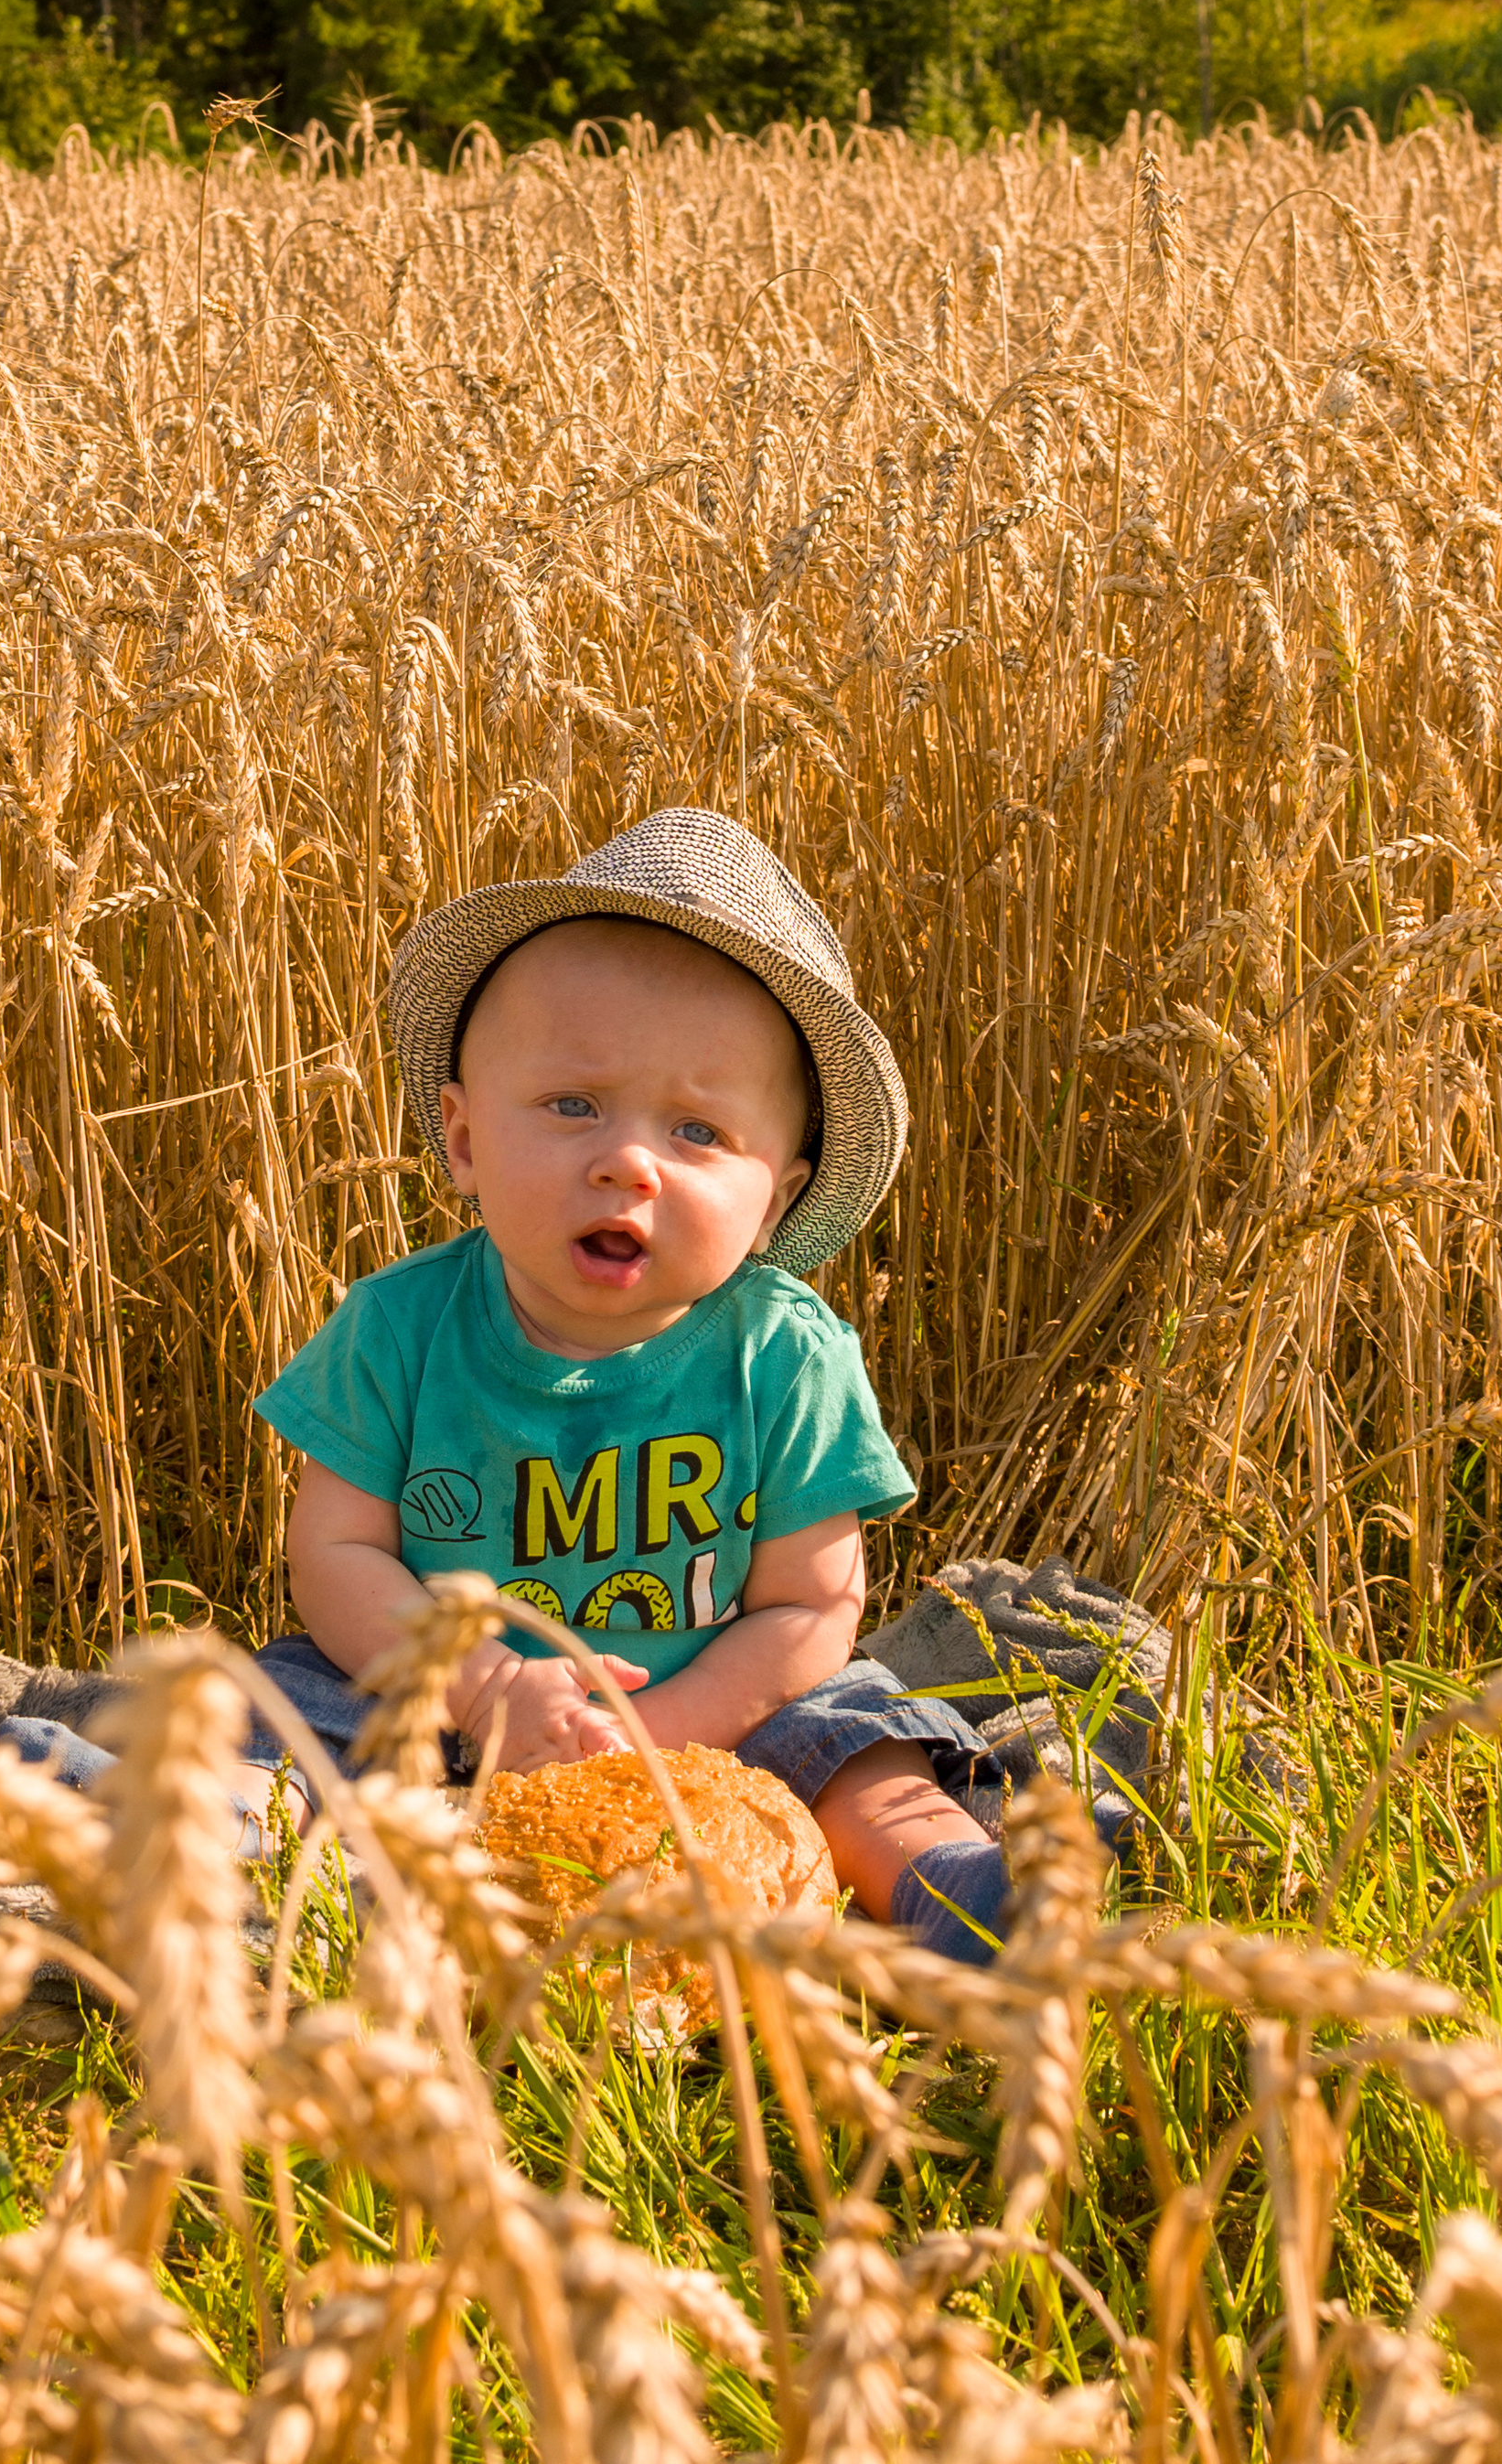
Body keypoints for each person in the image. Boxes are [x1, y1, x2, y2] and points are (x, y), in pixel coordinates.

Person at [234, 807, 1017, 1961]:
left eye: (697, 1131)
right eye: (573, 1106)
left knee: (863, 1739)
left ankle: (965, 1897)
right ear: (463, 1138)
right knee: (265, 1715)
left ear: (775, 1202)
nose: (627, 1161)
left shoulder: (784, 1355)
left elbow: (808, 1610)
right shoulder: (396, 1327)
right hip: (432, 1697)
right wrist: (480, 1689)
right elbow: (337, 1555)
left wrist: (644, 1736)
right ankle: (208, 1863)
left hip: (716, 1708)